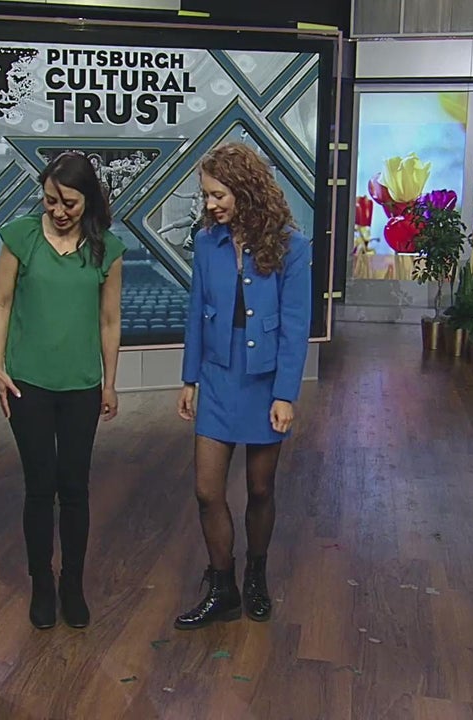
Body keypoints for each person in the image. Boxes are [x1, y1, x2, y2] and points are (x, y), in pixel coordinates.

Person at [174, 142, 312, 630]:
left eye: (218, 194)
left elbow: (296, 326)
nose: (210, 204)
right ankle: (222, 587)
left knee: (259, 488)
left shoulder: (292, 246)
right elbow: (196, 311)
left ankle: (255, 574)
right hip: (217, 375)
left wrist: (285, 394)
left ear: (246, 189)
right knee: (207, 490)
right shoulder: (205, 241)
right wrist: (189, 378)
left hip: (265, 379)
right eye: (206, 195)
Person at [0, 151, 125, 630]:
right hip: (27, 383)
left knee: (74, 487)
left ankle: (73, 584)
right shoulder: (21, 236)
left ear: (88, 200)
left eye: (69, 202)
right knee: (39, 486)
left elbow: (110, 320)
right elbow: (1, 302)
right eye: (50, 200)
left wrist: (110, 382)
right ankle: (41, 584)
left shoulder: (107, 249)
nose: (59, 210)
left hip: (82, 386)